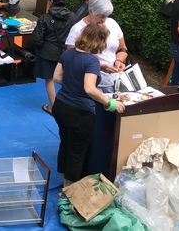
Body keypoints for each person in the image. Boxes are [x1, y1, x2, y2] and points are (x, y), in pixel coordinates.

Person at [52, 23, 125, 188]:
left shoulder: (68, 53)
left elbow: (56, 77)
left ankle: (64, 178)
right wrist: (110, 103)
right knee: (77, 152)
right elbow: (89, 89)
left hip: (61, 105)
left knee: (65, 143)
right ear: (100, 42)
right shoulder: (91, 60)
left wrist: (78, 77)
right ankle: (69, 189)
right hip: (80, 112)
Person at [65, 0, 128, 93]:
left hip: (112, 81)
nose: (103, 20)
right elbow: (72, 59)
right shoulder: (77, 30)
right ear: (90, 11)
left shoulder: (112, 24)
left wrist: (119, 60)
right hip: (87, 81)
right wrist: (99, 66)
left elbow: (122, 48)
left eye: (106, 16)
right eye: (101, 16)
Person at [33, 0, 76, 115]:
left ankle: (53, 106)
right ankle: (69, 105)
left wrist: (37, 48)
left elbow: (37, 39)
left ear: (51, 1)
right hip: (68, 51)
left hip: (48, 53)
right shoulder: (72, 16)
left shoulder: (45, 18)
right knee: (67, 78)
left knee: (50, 79)